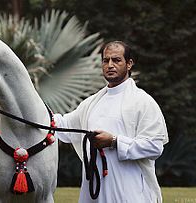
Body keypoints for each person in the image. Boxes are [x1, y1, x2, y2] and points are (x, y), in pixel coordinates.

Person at [54, 41, 168, 203]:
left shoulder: (142, 101)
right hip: (94, 191)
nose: (110, 65)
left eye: (116, 60)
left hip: (130, 191)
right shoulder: (92, 103)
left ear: (129, 64)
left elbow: (154, 146)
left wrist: (114, 141)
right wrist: (33, 111)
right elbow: (63, 125)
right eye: (106, 60)